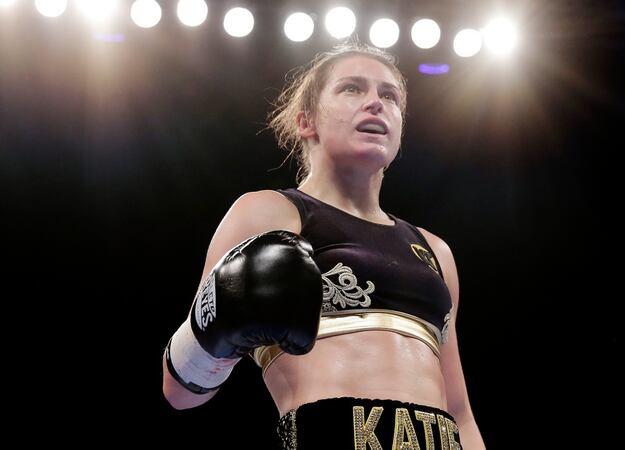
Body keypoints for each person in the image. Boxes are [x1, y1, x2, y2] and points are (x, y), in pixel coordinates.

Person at [162, 41, 486, 449]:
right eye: (352, 88)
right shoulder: (270, 214)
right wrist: (218, 329)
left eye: (390, 96)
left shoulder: (435, 251)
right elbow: (180, 391)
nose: (376, 103)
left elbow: (459, 411)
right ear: (306, 121)